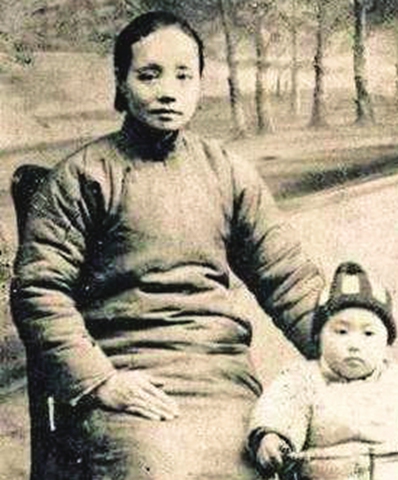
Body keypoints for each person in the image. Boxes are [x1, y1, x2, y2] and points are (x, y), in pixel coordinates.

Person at [11, 11, 323, 480]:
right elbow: (39, 292)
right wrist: (101, 382)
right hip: (128, 382)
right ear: (122, 83)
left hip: (224, 382)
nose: (168, 91)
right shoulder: (84, 177)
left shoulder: (226, 171)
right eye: (149, 75)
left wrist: (347, 351)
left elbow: (289, 279)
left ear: (200, 83)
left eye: (184, 75)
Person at [249, 262, 398, 479]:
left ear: (386, 342)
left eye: (368, 333)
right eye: (341, 331)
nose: (354, 344)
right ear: (319, 336)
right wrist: (272, 437)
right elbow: (281, 406)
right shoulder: (303, 379)